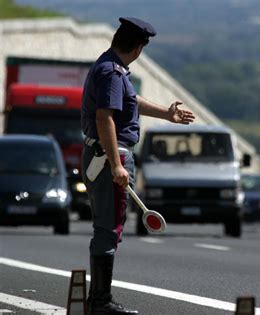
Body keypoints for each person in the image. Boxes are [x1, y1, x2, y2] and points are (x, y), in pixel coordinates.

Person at [81, 17, 195, 314]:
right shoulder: (111, 72)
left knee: (109, 227)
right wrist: (117, 165)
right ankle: (100, 302)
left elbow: (130, 100)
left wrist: (167, 114)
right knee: (108, 229)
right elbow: (103, 117)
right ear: (139, 47)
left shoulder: (112, 68)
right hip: (109, 157)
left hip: (107, 156)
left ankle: (98, 299)